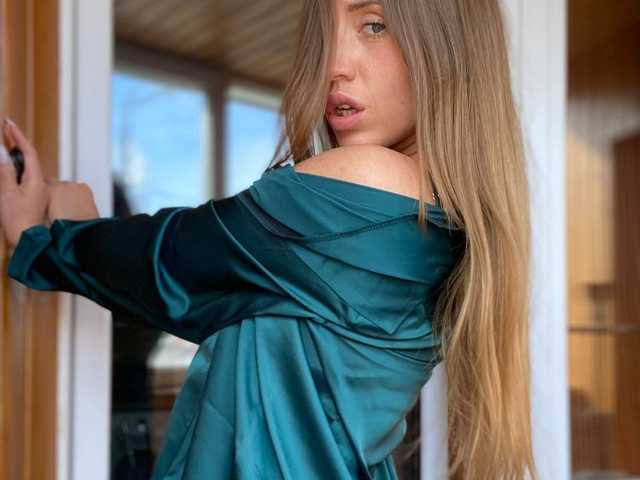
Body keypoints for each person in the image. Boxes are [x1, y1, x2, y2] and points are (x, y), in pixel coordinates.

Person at [0, 0, 537, 479]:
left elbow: (174, 259)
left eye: (374, 25)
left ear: (449, 48)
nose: (333, 64)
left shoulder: (368, 183)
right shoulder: (442, 220)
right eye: (324, 34)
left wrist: (51, 237)